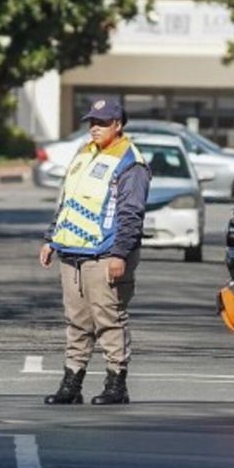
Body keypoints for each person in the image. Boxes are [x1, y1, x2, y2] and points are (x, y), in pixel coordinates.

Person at [38, 96, 150, 406]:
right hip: (72, 252)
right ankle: (72, 383)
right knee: (76, 321)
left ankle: (117, 383)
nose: (95, 128)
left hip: (105, 255)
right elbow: (68, 201)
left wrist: (119, 254)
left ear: (118, 124)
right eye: (92, 122)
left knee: (109, 319)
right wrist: (51, 239)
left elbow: (131, 214)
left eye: (102, 123)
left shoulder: (131, 162)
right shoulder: (85, 153)